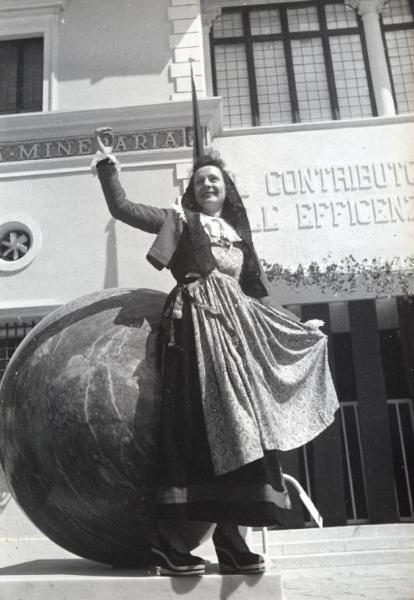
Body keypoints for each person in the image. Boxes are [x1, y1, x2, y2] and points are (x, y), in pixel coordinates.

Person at [93, 127, 339, 576]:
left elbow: (256, 296)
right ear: (192, 189)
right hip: (194, 331)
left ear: (227, 192)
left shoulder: (238, 237)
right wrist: (108, 167)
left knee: (246, 432)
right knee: (197, 427)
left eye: (216, 180)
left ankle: (229, 540)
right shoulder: (179, 221)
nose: (209, 184)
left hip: (237, 340)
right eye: (201, 179)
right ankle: (170, 544)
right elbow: (122, 209)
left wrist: (300, 326)